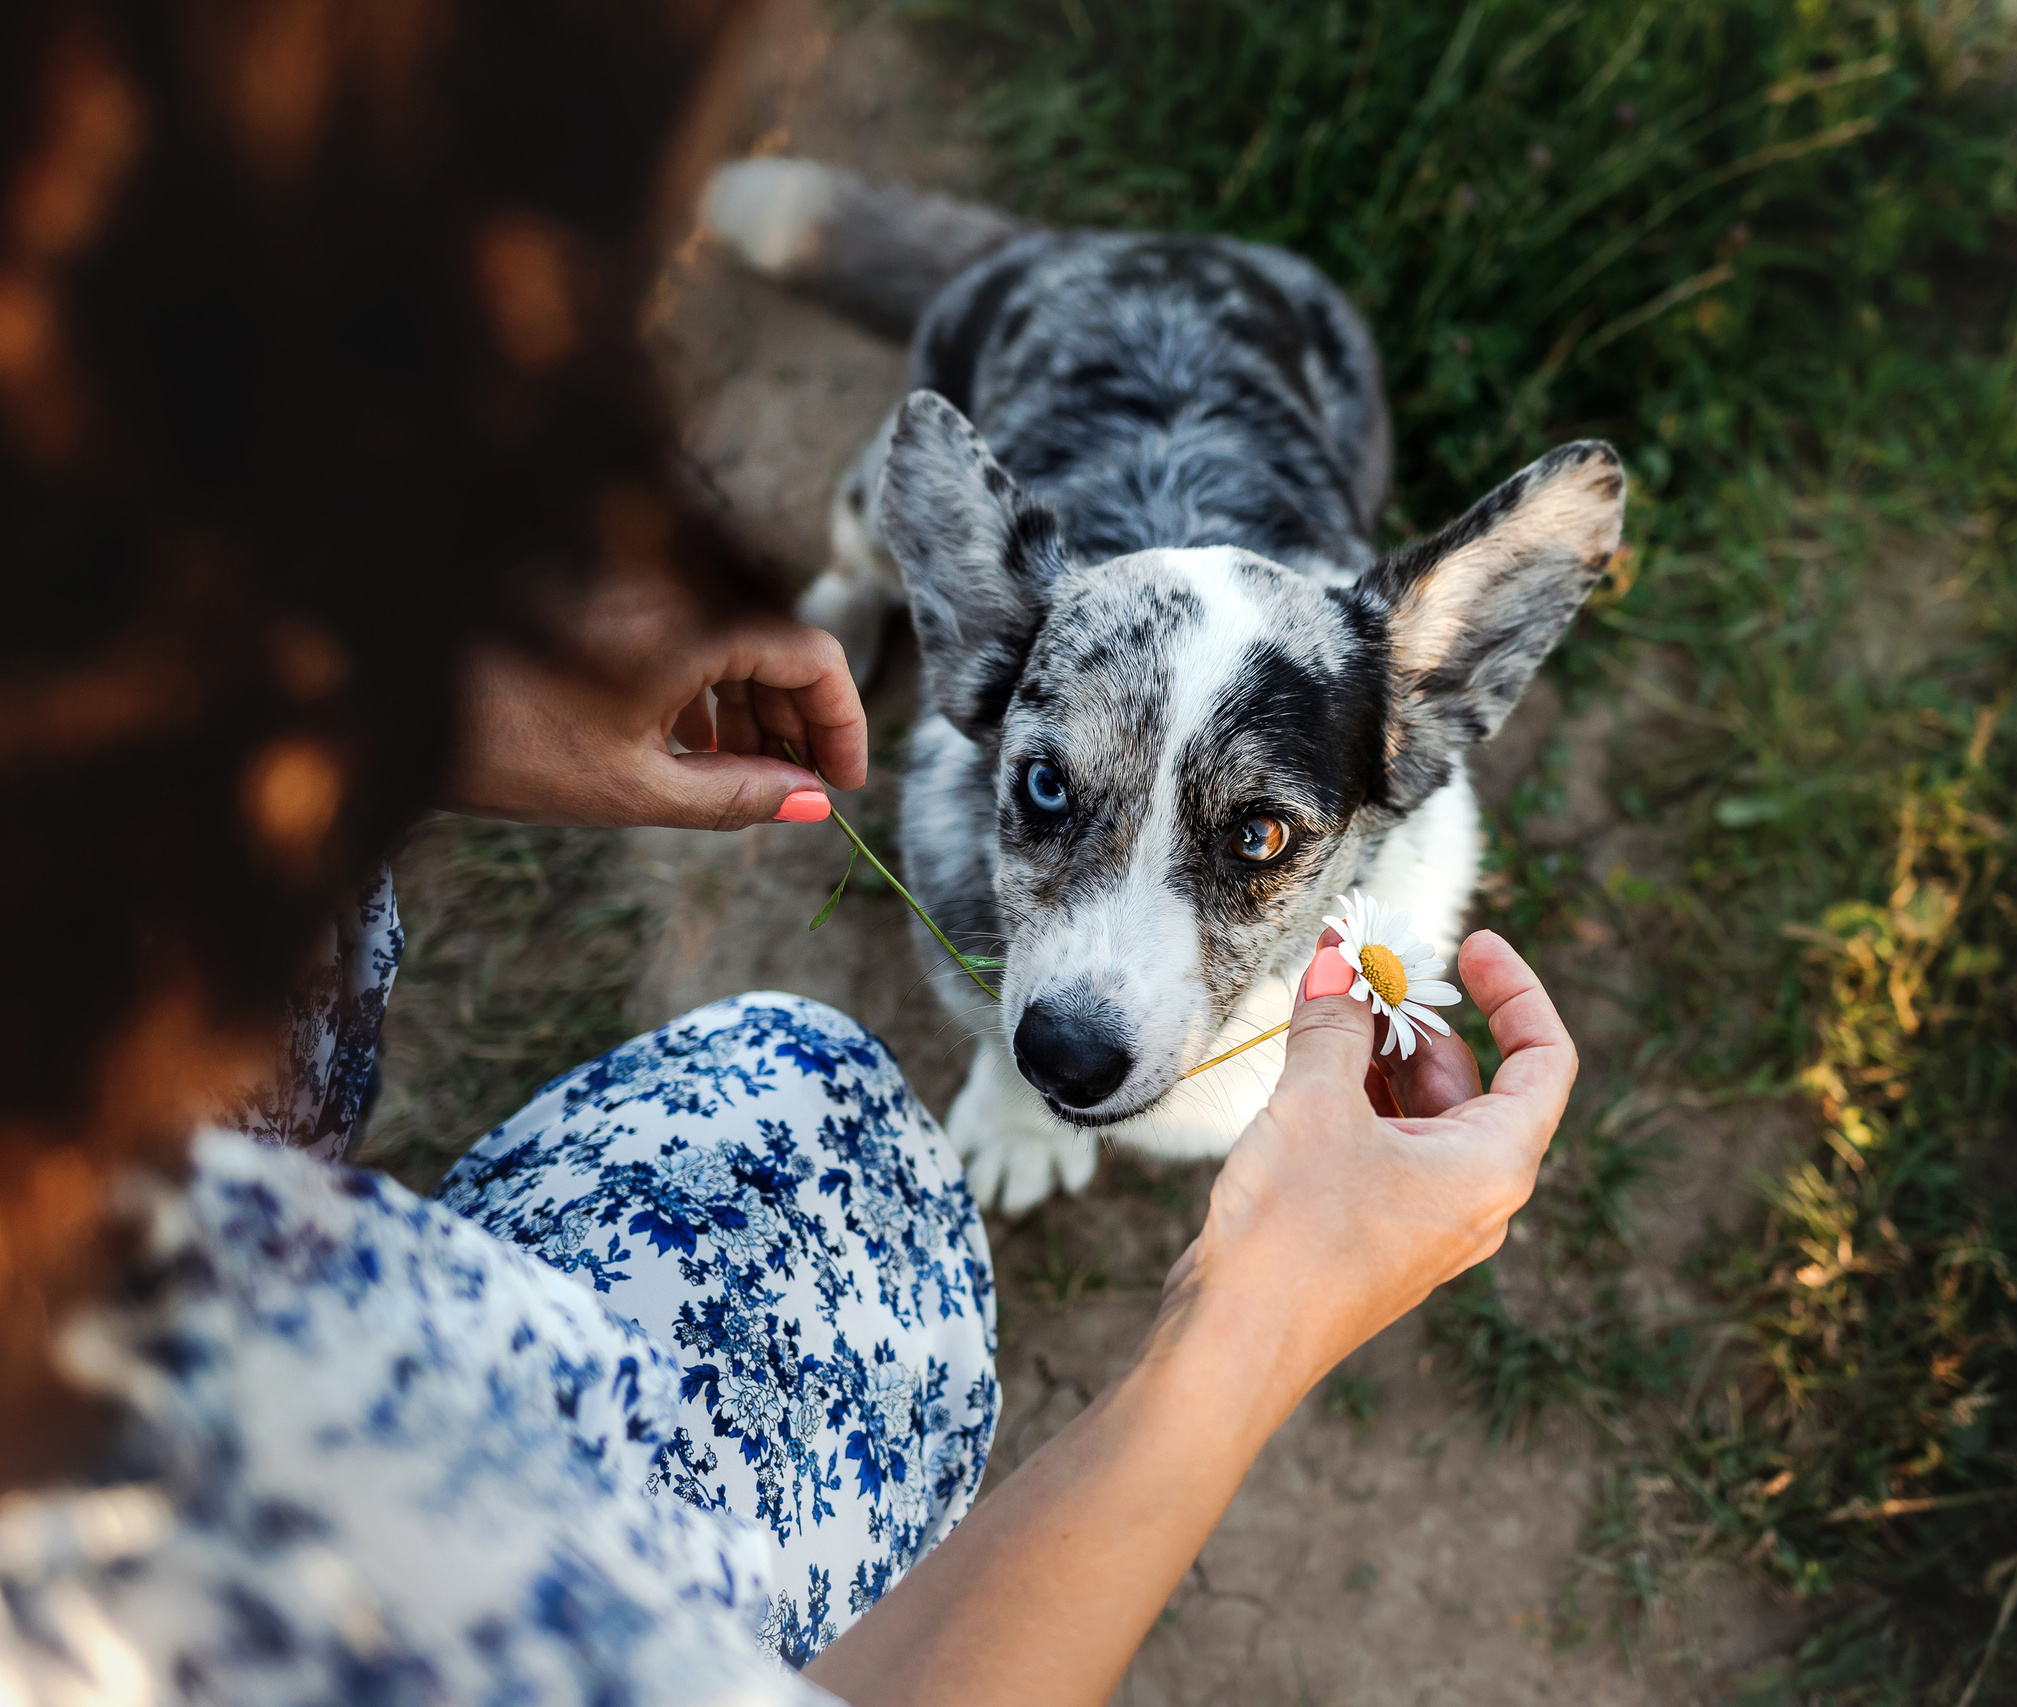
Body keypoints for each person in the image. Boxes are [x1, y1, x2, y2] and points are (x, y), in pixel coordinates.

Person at [0, 2, 1579, 1703]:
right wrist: (1249, 1310)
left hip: (1277, 348)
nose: (1084, 999)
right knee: (850, 1071)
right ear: (971, 648)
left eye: (1260, 840)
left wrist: (430, 712)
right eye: (1049, 795)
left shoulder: (1383, 694)